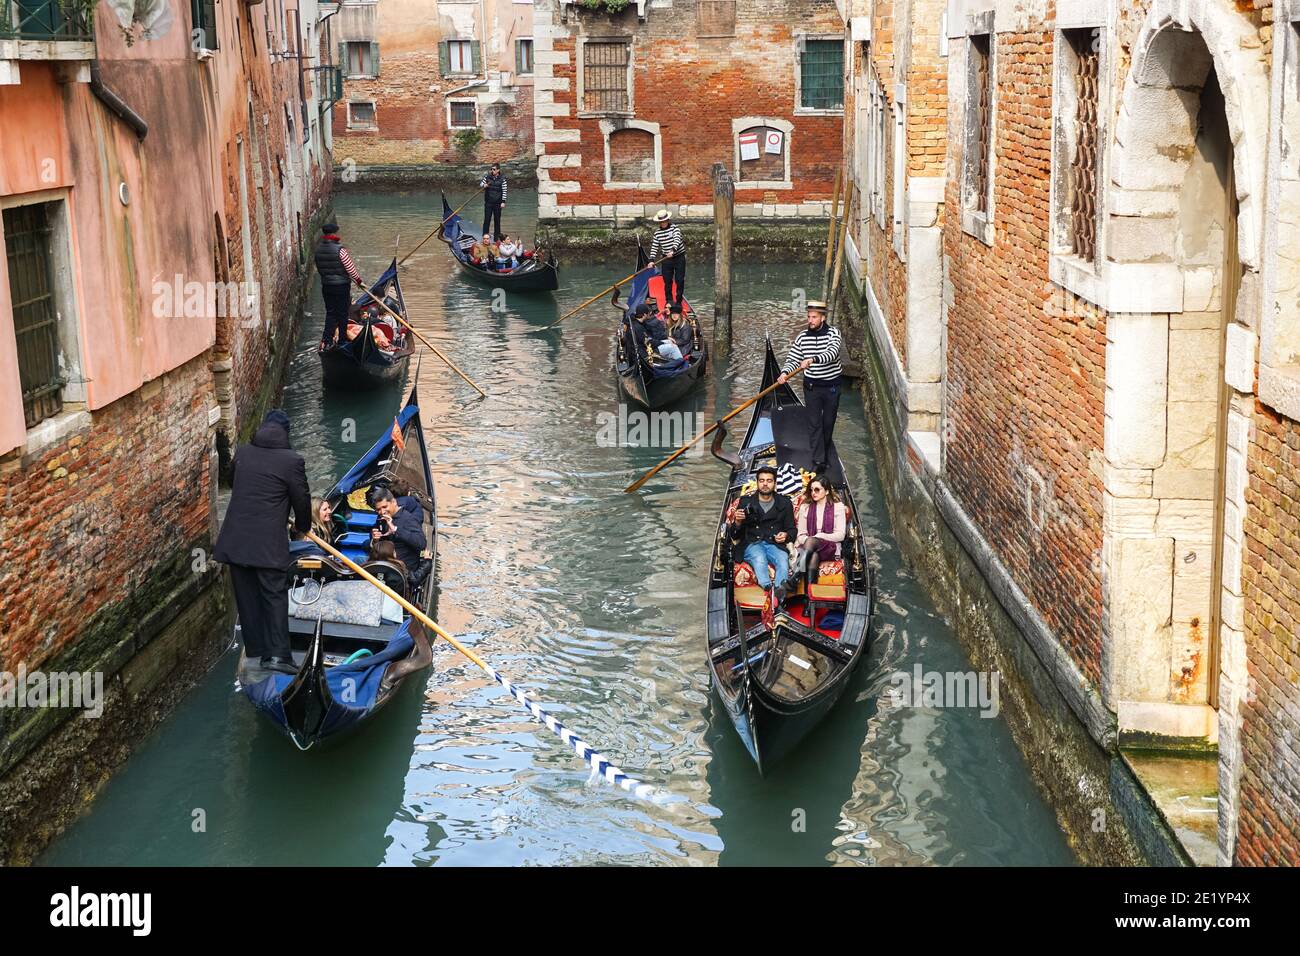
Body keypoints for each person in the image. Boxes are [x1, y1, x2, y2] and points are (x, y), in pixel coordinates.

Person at [213, 409, 312, 672]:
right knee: (274, 595)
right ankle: (278, 656)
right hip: (268, 544)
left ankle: (256, 650)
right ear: (285, 434)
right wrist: (301, 529)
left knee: (246, 595)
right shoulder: (292, 461)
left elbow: (233, 481)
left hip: (235, 541)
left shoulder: (244, 452)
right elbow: (301, 500)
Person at [777, 300, 842, 474]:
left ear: (823, 317)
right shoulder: (802, 337)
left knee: (828, 423)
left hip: (831, 387)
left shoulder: (834, 334)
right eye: (809, 317)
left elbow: (832, 353)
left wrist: (813, 359)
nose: (810, 320)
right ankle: (818, 461)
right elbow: (792, 359)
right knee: (814, 424)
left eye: (814, 317)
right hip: (812, 387)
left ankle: (825, 452)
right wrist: (784, 373)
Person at [729, 465, 797, 605]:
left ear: (775, 483)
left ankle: (778, 595)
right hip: (752, 543)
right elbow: (735, 536)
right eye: (762, 480)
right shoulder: (746, 502)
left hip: (774, 543)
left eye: (769, 480)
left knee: (783, 561)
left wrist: (785, 535)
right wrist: (737, 521)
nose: (765, 484)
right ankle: (768, 589)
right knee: (759, 559)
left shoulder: (784, 503)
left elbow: (792, 530)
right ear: (757, 482)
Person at [315, 220, 365, 351]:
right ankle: (342, 340)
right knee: (342, 313)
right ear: (334, 233)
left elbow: (320, 269)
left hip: (326, 286)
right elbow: (350, 268)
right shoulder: (340, 250)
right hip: (341, 286)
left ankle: (326, 341)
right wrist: (358, 281)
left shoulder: (318, 250)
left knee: (330, 313)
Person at [792, 475, 846, 593]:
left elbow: (841, 535)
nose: (813, 493)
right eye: (811, 490)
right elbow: (800, 535)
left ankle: (795, 577)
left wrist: (819, 536)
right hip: (810, 548)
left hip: (830, 548)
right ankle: (809, 601)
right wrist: (810, 540)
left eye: (817, 490)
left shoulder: (838, 507)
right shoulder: (805, 508)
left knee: (812, 541)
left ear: (826, 491)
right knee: (814, 555)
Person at [369, 487, 426, 571]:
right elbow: (378, 540)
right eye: (378, 509)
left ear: (394, 502)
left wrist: (395, 529)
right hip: (384, 562)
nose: (382, 512)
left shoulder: (408, 519)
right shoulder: (382, 518)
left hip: (401, 568)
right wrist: (375, 540)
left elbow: (421, 544)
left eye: (385, 507)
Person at [648, 209, 686, 314]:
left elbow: (677, 240)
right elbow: (654, 247)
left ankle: (678, 301)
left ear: (668, 220)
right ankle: (669, 300)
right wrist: (651, 260)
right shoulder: (657, 233)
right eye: (661, 222)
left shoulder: (675, 229)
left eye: (664, 221)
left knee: (679, 280)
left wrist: (673, 250)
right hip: (666, 259)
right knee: (667, 281)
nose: (663, 223)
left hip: (678, 257)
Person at [479, 162, 507, 241]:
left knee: (497, 221)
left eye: (494, 169)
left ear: (498, 170)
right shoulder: (487, 177)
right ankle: (485, 237)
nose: (492, 171)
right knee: (487, 220)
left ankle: (496, 239)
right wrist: (484, 185)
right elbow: (481, 184)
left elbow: (504, 191)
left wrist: (503, 202)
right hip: (488, 202)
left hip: (498, 203)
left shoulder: (503, 179)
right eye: (491, 169)